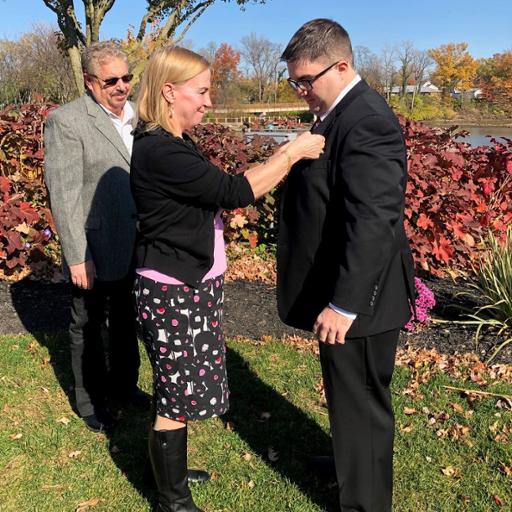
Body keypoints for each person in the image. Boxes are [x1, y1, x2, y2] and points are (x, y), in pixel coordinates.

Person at [130, 45, 324, 512]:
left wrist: (278, 157)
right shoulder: (159, 149)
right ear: (169, 92)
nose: (209, 101)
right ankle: (172, 500)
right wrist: (294, 151)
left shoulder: (175, 141)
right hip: (172, 290)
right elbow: (236, 191)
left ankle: (173, 474)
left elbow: (223, 184)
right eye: (202, 92)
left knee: (185, 385)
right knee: (175, 393)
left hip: (190, 286)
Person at [277, 19, 415, 512]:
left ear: (341, 65)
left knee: (361, 400)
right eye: (294, 82)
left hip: (362, 299)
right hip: (342, 287)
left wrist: (345, 303)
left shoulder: (367, 120)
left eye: (306, 81)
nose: (301, 91)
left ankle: (365, 501)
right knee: (347, 394)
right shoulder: (337, 112)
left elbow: (375, 220)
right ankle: (346, 460)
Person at [44, 42, 148, 433]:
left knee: (125, 318)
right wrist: (76, 256)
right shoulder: (66, 121)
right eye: (111, 80)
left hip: (137, 241)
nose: (122, 86)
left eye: (126, 77)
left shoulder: (140, 116)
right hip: (94, 244)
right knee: (86, 323)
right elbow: (65, 193)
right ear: (89, 82)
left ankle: (125, 386)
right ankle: (89, 401)